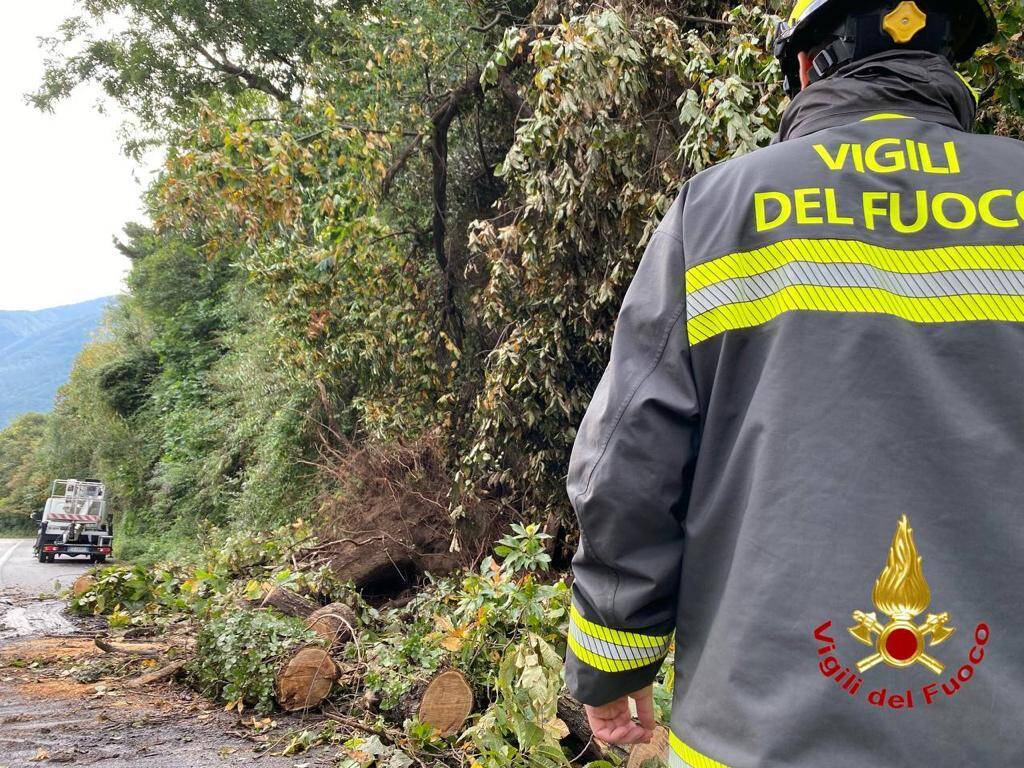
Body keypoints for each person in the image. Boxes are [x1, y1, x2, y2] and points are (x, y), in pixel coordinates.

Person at [564, 1, 1024, 765]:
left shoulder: (715, 213)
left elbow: (628, 463)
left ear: (808, 66)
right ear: (944, 66)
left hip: (759, 741)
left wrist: (612, 662)